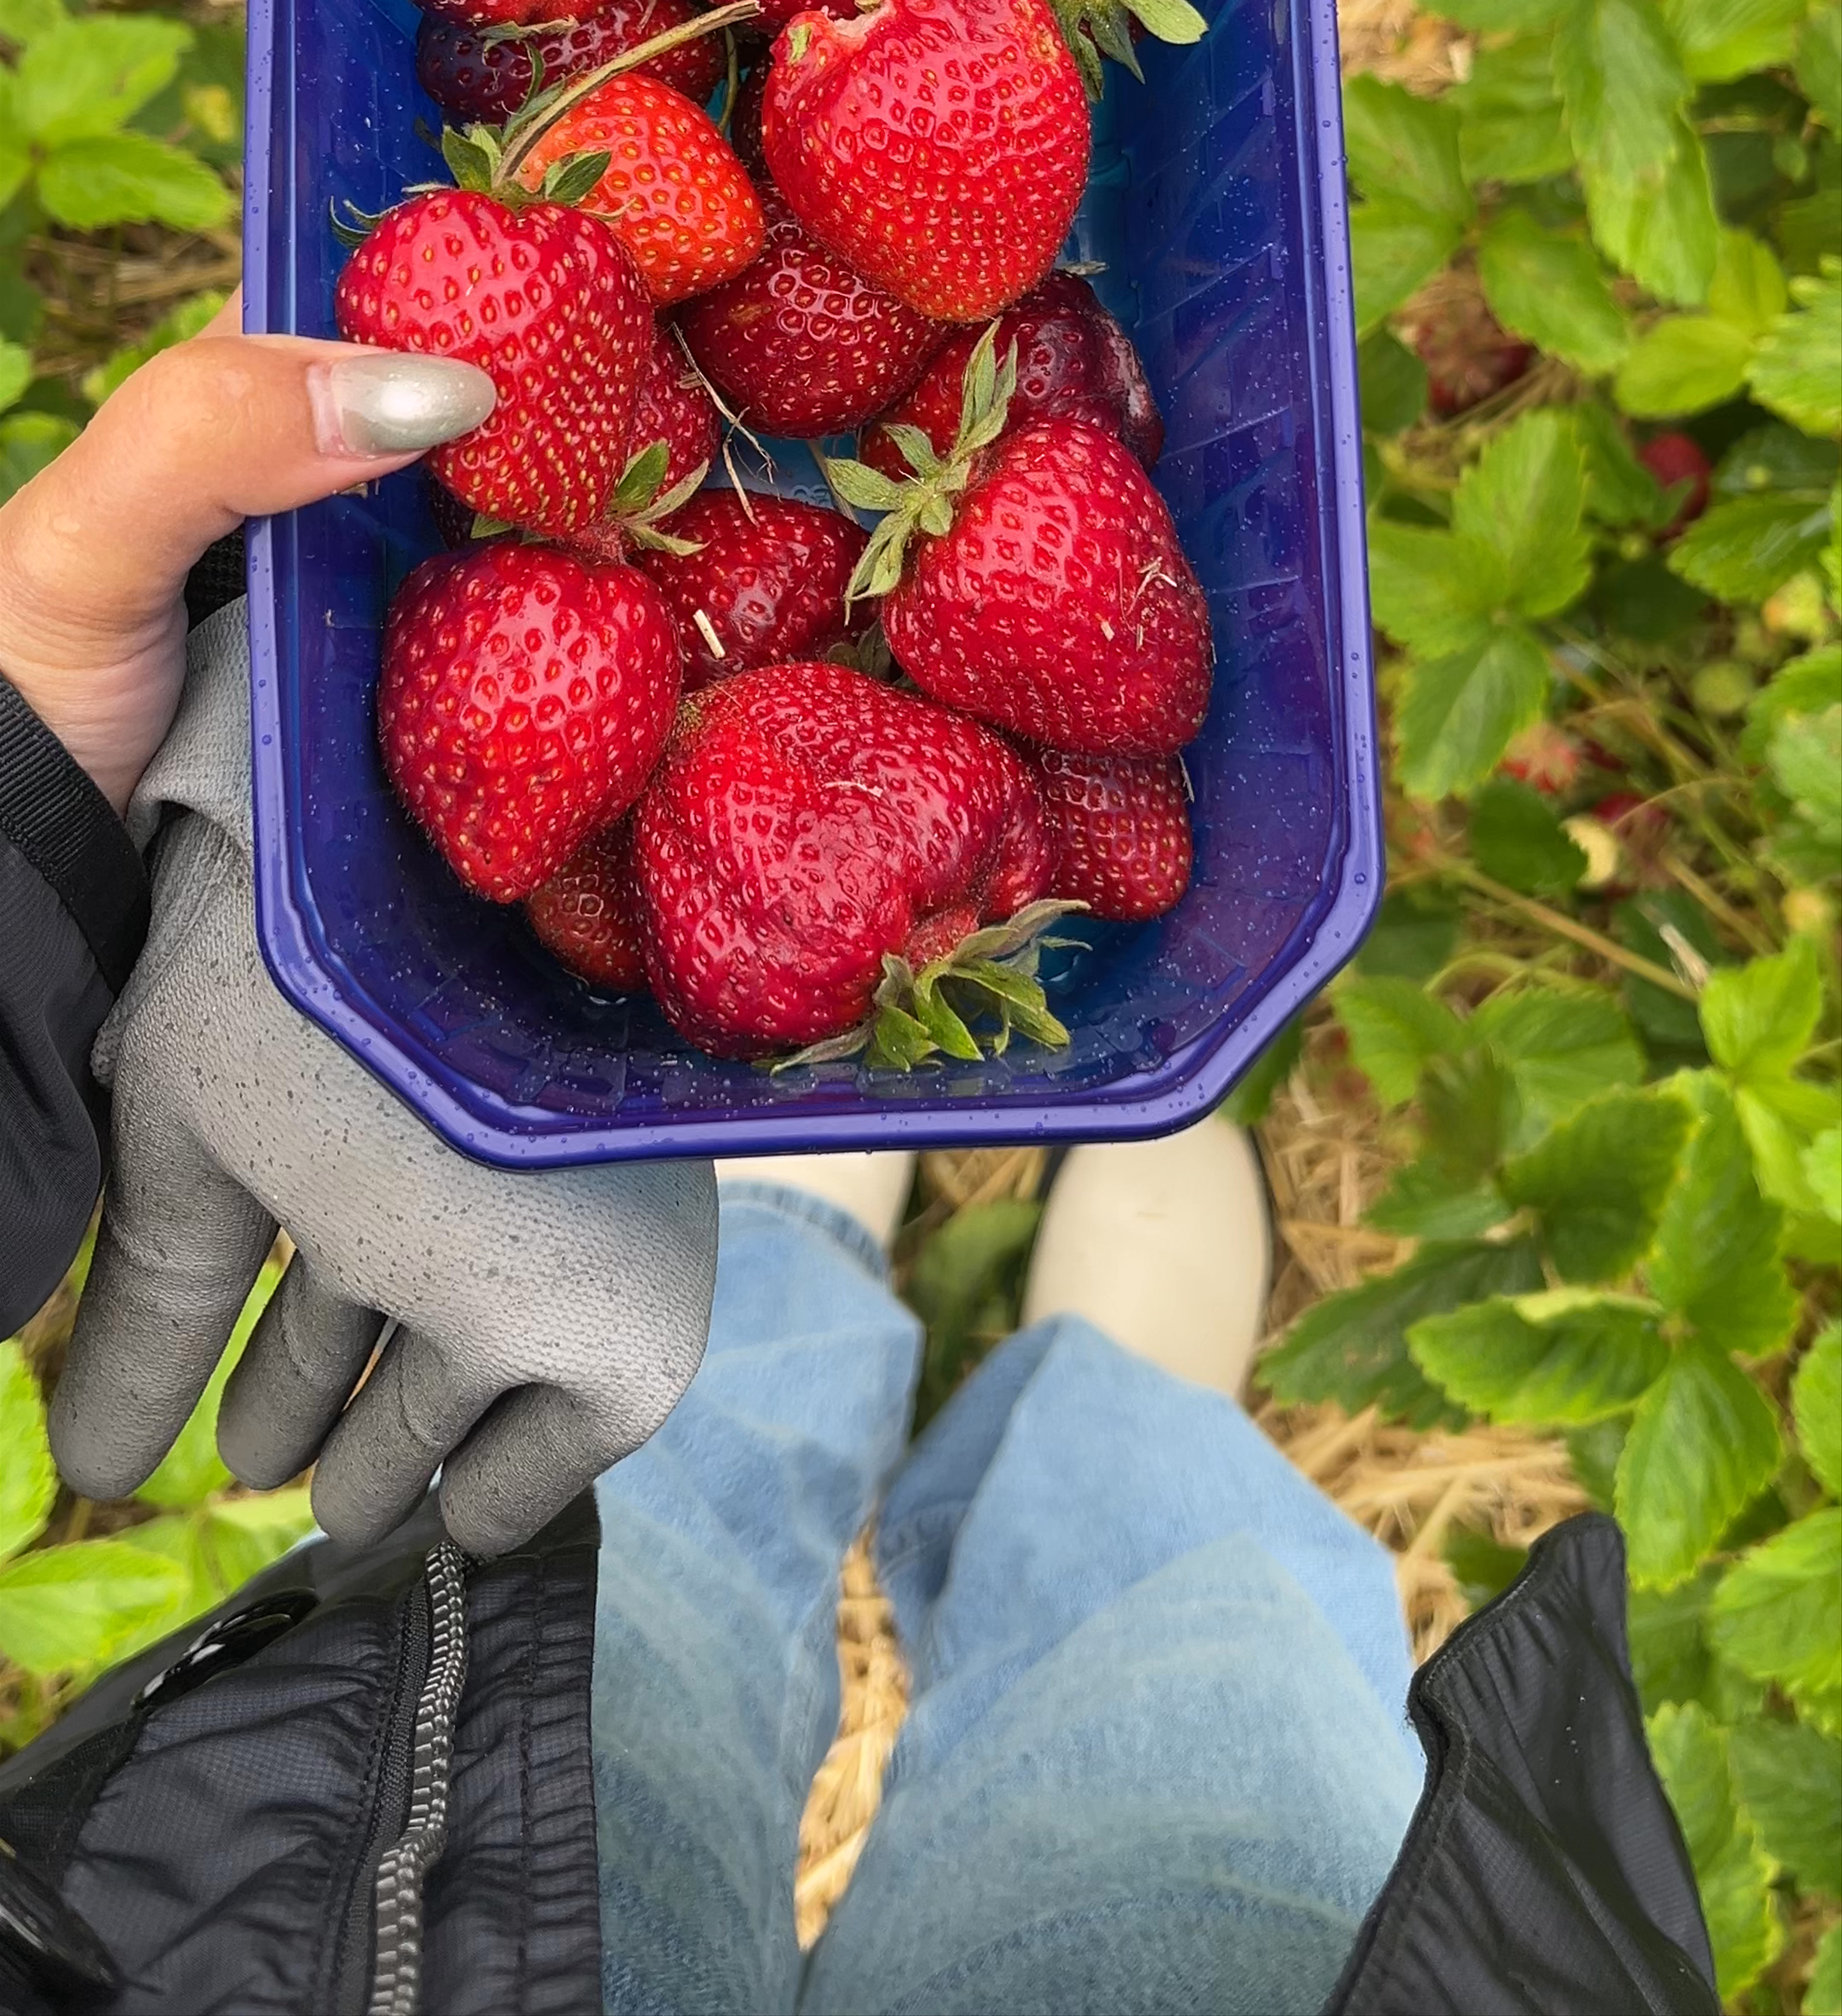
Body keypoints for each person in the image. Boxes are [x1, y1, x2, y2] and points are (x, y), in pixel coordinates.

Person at [0, 316, 1722, 2016]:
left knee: (646, 1546)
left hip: (282, 1934)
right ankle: (1122, 1409)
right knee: (1214, 1665)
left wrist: (29, 856)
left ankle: (798, 1265)